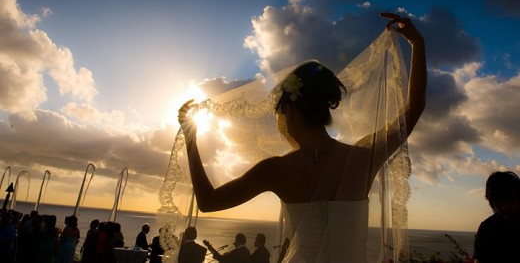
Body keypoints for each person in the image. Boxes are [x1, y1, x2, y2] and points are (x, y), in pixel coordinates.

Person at [177, 13, 426, 262]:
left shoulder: (275, 169)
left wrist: (190, 137)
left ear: (288, 110)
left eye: (278, 115)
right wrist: (417, 45)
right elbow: (412, 111)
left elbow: (208, 202)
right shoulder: (363, 158)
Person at [473, 171, 520, 262]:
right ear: (491, 203)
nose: (504, 207)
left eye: (509, 199)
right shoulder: (487, 228)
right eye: (497, 201)